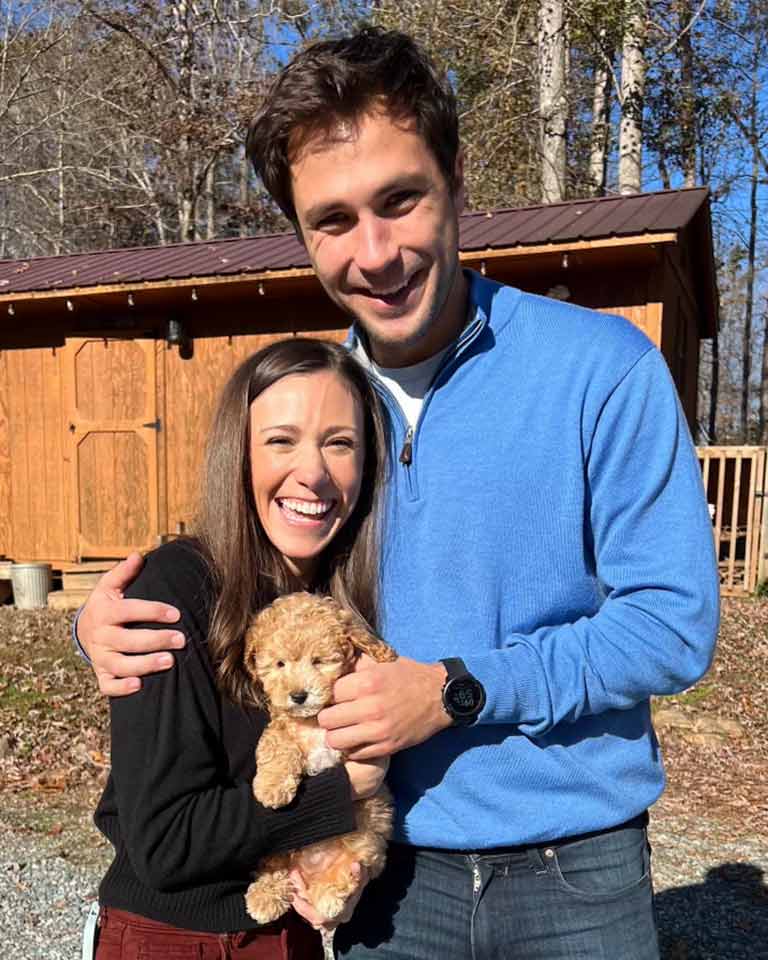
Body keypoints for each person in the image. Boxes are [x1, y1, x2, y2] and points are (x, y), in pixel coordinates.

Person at [75, 27, 720, 960]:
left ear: (456, 183)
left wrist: (457, 691)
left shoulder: (601, 370)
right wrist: (112, 625)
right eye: (333, 221)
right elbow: (251, 573)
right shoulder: (322, 407)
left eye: (399, 200)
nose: (374, 253)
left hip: (576, 870)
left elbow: (671, 624)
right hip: (386, 876)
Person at [88, 337, 390, 960]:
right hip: (176, 940)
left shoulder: (352, 596)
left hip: (293, 934)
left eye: (340, 443)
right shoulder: (174, 591)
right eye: (281, 440)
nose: (313, 472)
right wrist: (339, 794)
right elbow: (165, 843)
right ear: (240, 454)